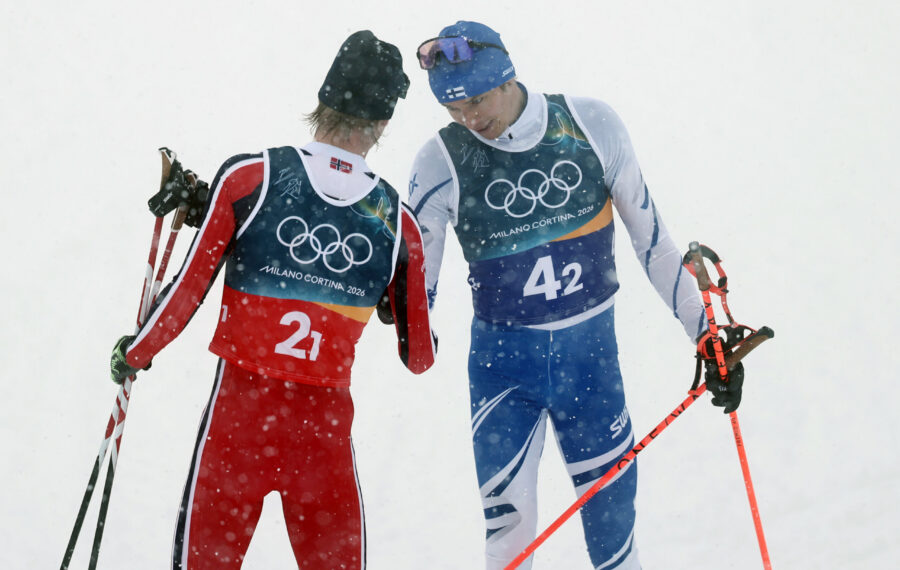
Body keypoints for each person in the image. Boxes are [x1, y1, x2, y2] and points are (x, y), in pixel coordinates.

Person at [408, 21, 743, 569]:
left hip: (592, 373)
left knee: (615, 534)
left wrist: (709, 336)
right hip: (502, 377)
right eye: (453, 108)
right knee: (509, 534)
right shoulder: (438, 161)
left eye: (476, 99)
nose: (469, 118)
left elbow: (655, 246)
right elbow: (414, 294)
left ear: (506, 74)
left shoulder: (590, 123)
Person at [109, 30, 436, 570]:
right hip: (323, 437)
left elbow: (187, 292)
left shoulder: (250, 179)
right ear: (383, 123)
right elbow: (419, 357)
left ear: (323, 101)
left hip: (238, 424)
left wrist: (134, 352)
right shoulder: (397, 225)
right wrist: (389, 302)